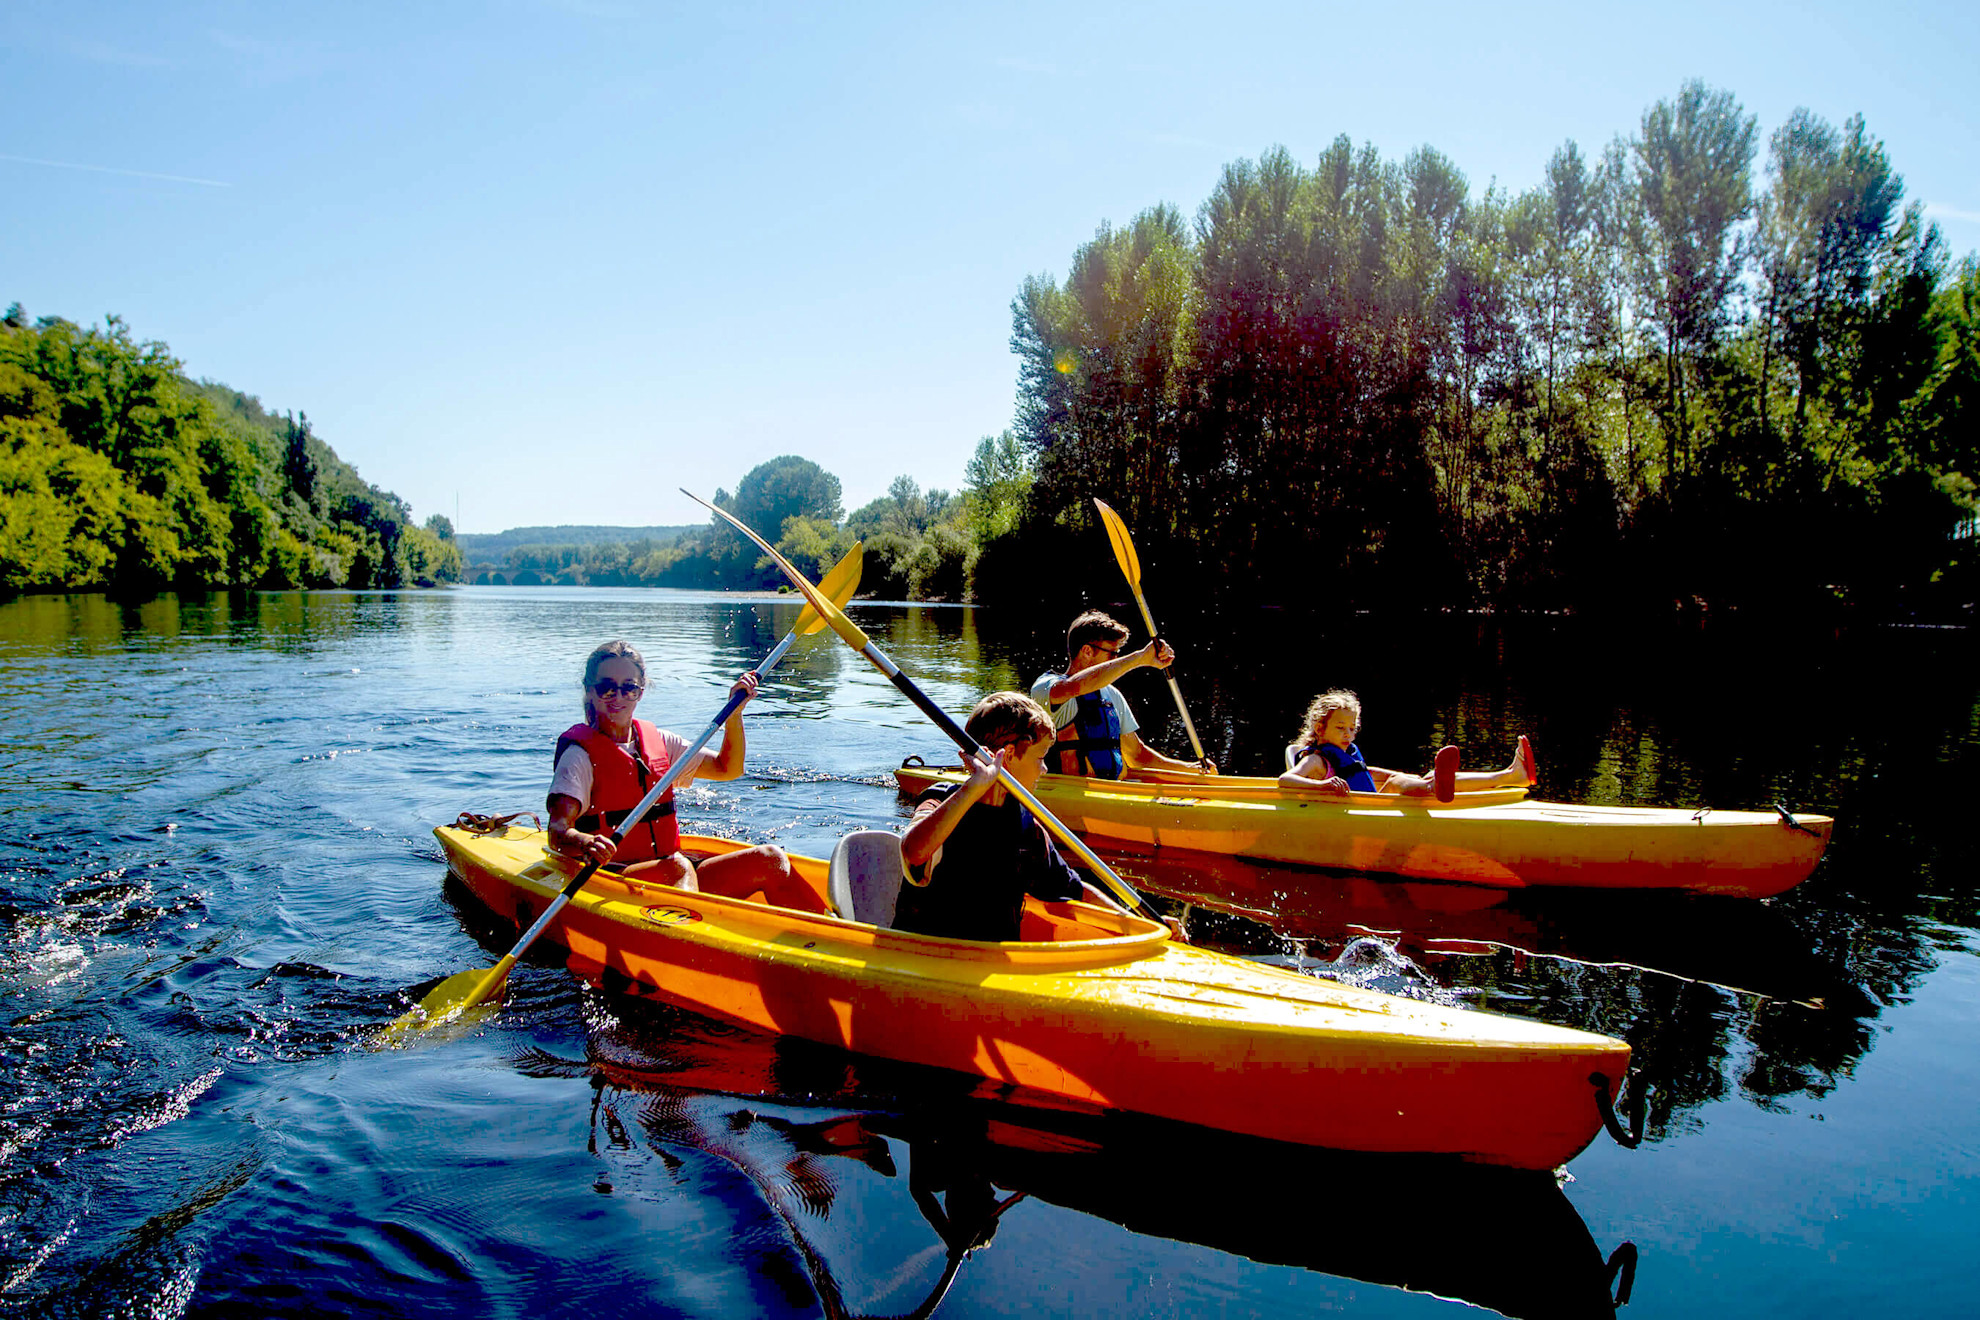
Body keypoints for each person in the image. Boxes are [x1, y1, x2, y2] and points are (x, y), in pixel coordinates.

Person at [546, 639, 821, 910]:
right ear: (590, 691)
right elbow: (557, 831)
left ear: (640, 691)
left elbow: (728, 769)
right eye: (607, 688)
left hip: (671, 873)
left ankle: (833, 932)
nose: (618, 697)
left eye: (628, 688)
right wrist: (586, 841)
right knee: (677, 867)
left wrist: (734, 716)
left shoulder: (660, 742)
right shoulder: (579, 756)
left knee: (769, 858)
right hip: (612, 880)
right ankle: (693, 940)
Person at [895, 693, 1095, 942]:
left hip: (991, 962)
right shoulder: (939, 801)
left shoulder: (1026, 828)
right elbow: (913, 852)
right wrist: (975, 786)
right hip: (927, 958)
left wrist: (1135, 916)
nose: (1044, 769)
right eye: (1041, 757)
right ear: (1008, 755)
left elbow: (1073, 889)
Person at [1029, 610, 1216, 779]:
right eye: (1112, 653)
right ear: (1087, 651)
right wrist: (1139, 658)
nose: (1116, 660)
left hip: (1112, 792)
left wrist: (1191, 769)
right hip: (1069, 793)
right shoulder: (1047, 688)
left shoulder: (1112, 696)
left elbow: (1137, 755)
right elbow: (1075, 687)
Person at [1278, 688, 1537, 800]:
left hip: (1371, 804)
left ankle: (1510, 775)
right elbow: (1285, 780)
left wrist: (1396, 773)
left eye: (1351, 728)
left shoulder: (1346, 753)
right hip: (1366, 812)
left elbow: (1364, 773)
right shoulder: (1315, 760)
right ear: (1320, 728)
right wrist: (1322, 785)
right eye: (1340, 728)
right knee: (1397, 785)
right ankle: (1432, 786)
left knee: (1423, 777)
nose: (1348, 734)